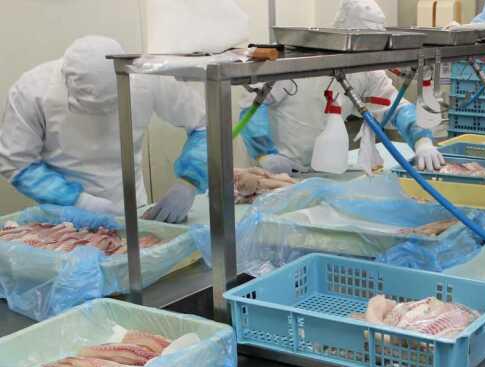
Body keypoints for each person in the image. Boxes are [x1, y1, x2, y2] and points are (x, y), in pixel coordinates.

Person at [0, 36, 208, 223]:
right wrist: (78, 201)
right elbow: (16, 163)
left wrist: (189, 182)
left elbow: (205, 126)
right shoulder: (31, 90)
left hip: (134, 211)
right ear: (66, 80)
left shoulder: (147, 78)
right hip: (62, 220)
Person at [240, 0, 445, 175]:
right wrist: (265, 155)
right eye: (362, 39)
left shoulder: (365, 70)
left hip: (325, 170)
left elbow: (398, 108)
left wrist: (422, 141)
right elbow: (251, 108)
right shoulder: (298, 62)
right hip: (277, 170)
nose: (367, 48)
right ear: (344, 29)